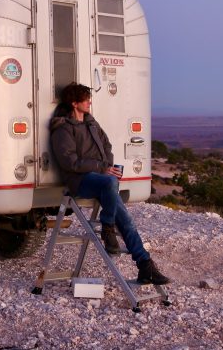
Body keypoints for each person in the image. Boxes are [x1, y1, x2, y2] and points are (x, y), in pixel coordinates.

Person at [49, 82, 170, 285]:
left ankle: (145, 265)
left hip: (101, 179)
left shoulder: (92, 124)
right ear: (74, 103)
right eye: (85, 99)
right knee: (109, 182)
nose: (90, 101)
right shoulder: (62, 129)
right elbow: (69, 161)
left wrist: (109, 166)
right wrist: (101, 168)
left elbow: (107, 145)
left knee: (128, 221)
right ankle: (107, 227)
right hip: (80, 181)